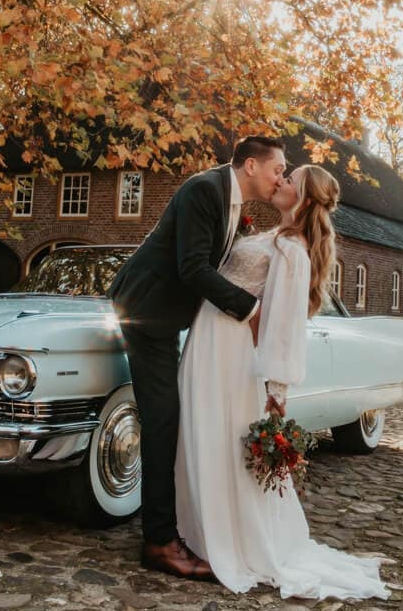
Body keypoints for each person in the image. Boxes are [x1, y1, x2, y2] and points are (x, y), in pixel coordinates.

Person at [175, 165, 390, 599]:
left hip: (230, 350)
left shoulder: (293, 249)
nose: (281, 181)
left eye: (290, 179)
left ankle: (229, 538)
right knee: (201, 432)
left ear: (304, 198)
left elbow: (285, 323)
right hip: (209, 338)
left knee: (218, 436)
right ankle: (198, 528)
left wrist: (277, 388)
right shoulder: (274, 235)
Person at [108, 135, 287, 580]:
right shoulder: (204, 189)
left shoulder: (230, 202)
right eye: (277, 169)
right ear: (251, 165)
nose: (280, 178)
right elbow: (192, 267)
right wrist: (251, 310)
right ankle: (159, 542)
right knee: (163, 421)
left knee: (171, 418)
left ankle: (175, 528)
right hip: (146, 310)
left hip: (167, 318)